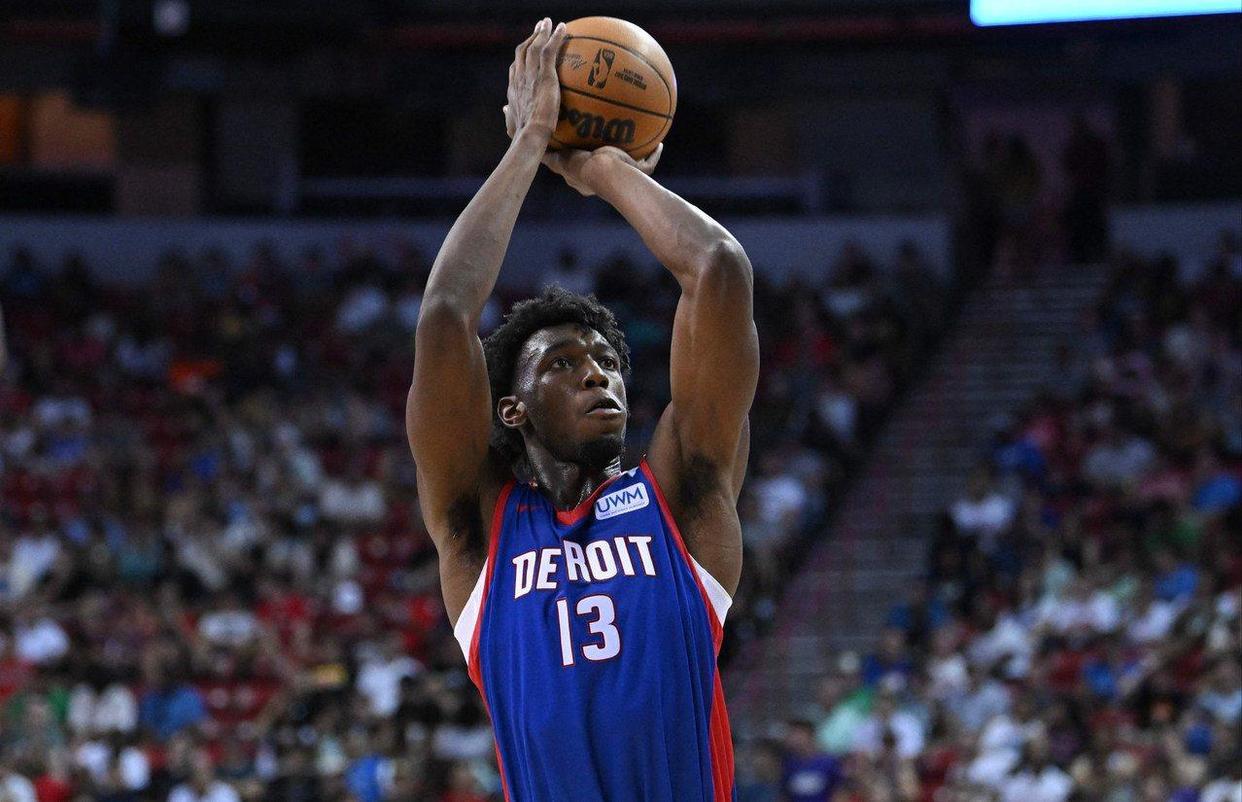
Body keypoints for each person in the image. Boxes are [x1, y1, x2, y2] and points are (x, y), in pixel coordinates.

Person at [407, 17, 758, 801]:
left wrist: (601, 169)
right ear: (512, 410)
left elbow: (718, 268)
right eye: (564, 364)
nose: (598, 375)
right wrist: (529, 143)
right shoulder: (480, 531)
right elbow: (444, 317)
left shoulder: (683, 498)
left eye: (606, 362)